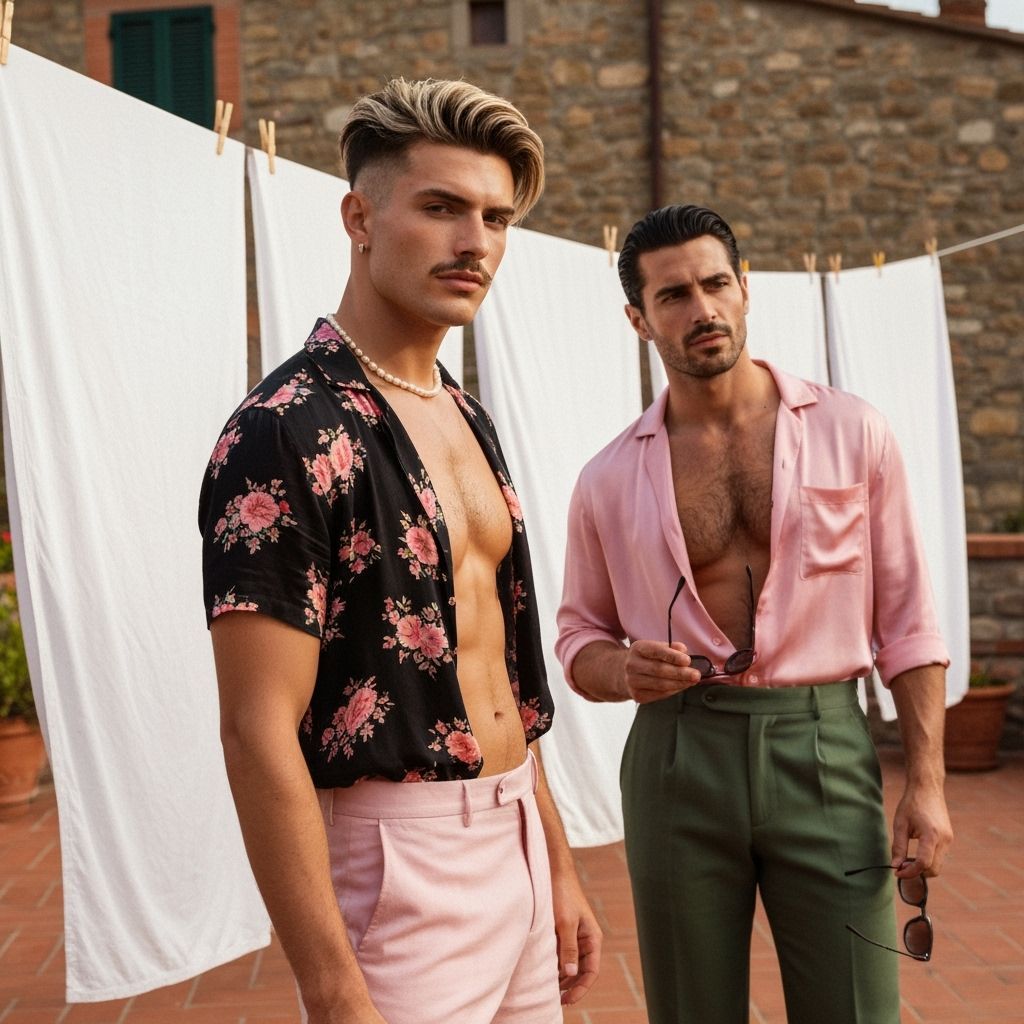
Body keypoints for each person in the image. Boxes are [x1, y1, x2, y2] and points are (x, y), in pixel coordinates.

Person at [199, 78, 601, 1024]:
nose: (477, 243)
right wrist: (335, 990)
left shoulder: (464, 413)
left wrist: (558, 864)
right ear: (359, 216)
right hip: (398, 864)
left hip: (516, 840)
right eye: (442, 207)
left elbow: (498, 670)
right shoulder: (282, 431)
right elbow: (256, 730)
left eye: (497, 218)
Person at [555, 204, 953, 1024]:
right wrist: (623, 668)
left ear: (745, 290)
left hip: (824, 746)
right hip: (677, 755)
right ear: (639, 318)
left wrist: (929, 782)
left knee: (858, 1006)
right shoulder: (606, 480)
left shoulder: (853, 433)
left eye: (715, 284)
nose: (700, 309)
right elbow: (578, 637)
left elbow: (908, 619)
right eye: (672, 296)